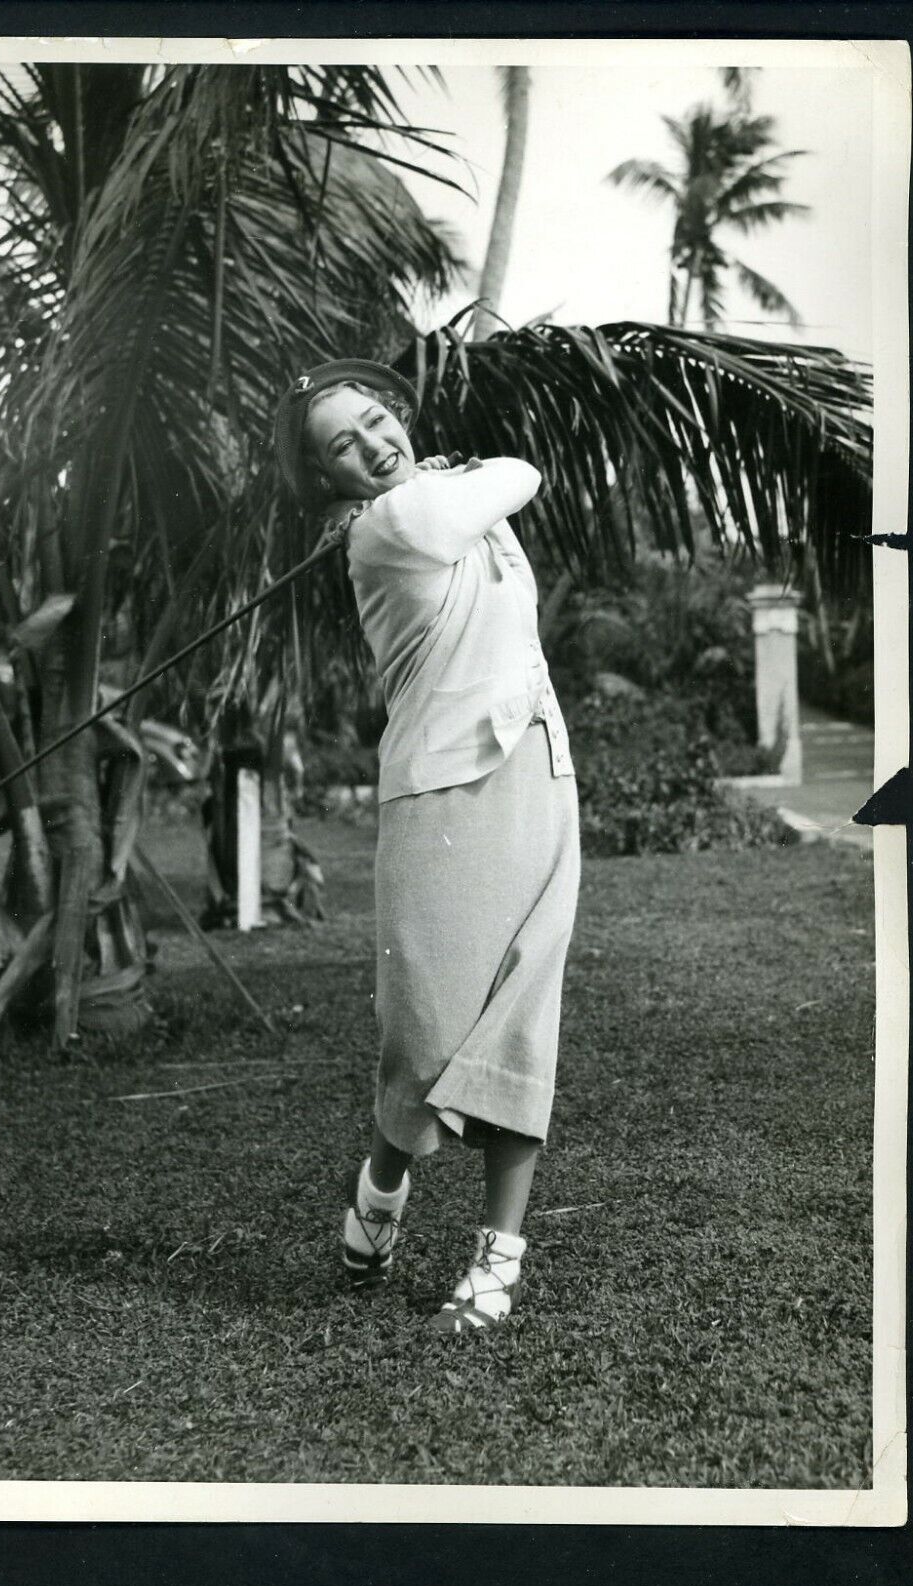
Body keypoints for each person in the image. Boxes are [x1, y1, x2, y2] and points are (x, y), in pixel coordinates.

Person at [273, 359, 580, 1334]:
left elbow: (503, 489)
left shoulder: (442, 501)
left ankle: (494, 1268)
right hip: (438, 788)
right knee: (424, 1032)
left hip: (535, 766)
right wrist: (446, 474)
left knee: (520, 1010)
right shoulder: (388, 526)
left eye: (373, 422)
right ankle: (382, 1184)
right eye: (341, 446)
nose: (370, 446)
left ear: (394, 415)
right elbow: (520, 471)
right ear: (329, 479)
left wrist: (448, 472)